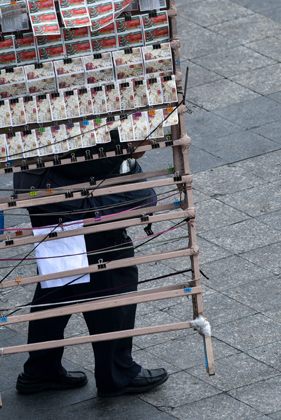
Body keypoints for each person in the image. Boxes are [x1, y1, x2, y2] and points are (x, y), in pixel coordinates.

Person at [13, 135, 168, 397]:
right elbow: (77, 160)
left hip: (50, 197)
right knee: (112, 281)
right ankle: (117, 374)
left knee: (58, 282)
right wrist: (126, 148)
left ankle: (41, 369)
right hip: (74, 203)